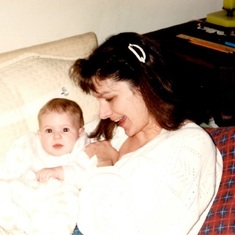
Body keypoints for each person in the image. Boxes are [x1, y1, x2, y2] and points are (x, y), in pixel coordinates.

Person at [69, 32, 223, 235]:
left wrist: (104, 165)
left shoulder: (189, 146)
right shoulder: (118, 130)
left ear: (144, 85)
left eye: (110, 98)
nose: (103, 113)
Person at [0, 98, 95, 235]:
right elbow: (11, 169)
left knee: (65, 208)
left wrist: (58, 171)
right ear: (40, 133)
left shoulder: (84, 149)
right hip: (30, 189)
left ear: (79, 132)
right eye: (49, 131)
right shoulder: (31, 144)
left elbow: (86, 173)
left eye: (65, 129)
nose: (57, 136)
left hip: (61, 193)